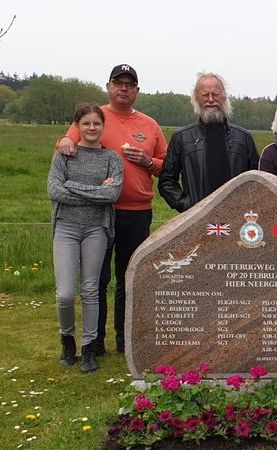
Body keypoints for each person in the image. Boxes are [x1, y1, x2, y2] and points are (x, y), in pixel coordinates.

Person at [56, 64, 167, 356]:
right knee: (98, 279)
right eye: (118, 83)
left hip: (137, 210)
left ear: (137, 91)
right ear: (108, 86)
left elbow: (165, 166)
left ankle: (125, 339)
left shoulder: (150, 125)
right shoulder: (96, 117)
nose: (124, 88)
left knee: (129, 277)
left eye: (130, 84)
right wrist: (65, 139)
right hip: (98, 213)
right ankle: (96, 341)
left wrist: (147, 161)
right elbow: (67, 144)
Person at [48, 104, 123, 373]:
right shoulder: (64, 155)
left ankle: (89, 346)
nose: (92, 128)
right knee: (66, 293)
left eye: (96, 124)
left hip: (97, 229)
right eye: (86, 123)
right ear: (77, 126)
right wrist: (94, 190)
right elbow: (55, 191)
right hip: (66, 227)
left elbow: (112, 195)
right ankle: (67, 340)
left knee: (91, 290)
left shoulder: (111, 159)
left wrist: (74, 186)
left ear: (103, 126)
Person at [159, 72, 260, 212]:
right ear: (196, 98)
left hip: (237, 219)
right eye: (205, 95)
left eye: (215, 94)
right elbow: (167, 181)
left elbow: (257, 180)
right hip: (196, 220)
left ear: (224, 97)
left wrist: (244, 206)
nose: (211, 100)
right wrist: (186, 205)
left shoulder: (243, 138)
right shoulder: (181, 137)